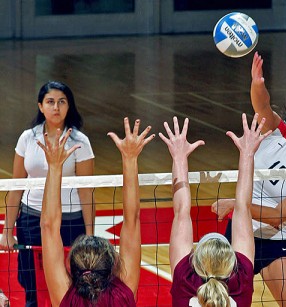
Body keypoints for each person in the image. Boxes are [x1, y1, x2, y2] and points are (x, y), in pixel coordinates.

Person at [211, 52, 286, 306]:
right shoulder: (276, 132)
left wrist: (237, 205)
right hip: (239, 235)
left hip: (273, 242)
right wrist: (258, 82)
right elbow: (263, 105)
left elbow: (280, 215)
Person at [39, 117, 154, 306]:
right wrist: (130, 158)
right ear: (113, 265)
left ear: (71, 267)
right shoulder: (123, 294)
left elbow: (48, 226)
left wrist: (54, 166)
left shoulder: (65, 296)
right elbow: (132, 220)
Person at [0, 81, 95, 306]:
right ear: (40, 106)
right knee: (32, 282)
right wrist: (7, 230)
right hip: (32, 221)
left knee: (73, 282)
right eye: (50, 102)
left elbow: (87, 192)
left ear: (69, 106)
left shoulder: (80, 142)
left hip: (71, 222)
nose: (56, 107)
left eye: (62, 102)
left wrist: (90, 235)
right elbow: (16, 187)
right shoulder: (27, 138)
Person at [163, 114, 269, 306]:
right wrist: (247, 154)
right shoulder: (241, 279)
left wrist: (178, 157)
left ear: (194, 262)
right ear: (232, 263)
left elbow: (181, 211)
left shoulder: (185, 279)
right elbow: (243, 208)